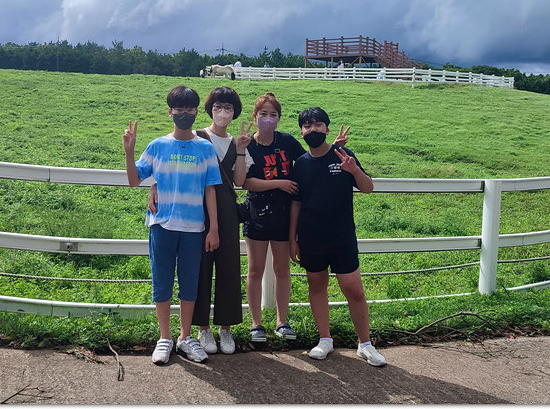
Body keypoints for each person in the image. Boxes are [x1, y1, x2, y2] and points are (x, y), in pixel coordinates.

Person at [122, 85, 221, 365]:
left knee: (189, 284)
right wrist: (129, 151)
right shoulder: (157, 146)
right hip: (162, 225)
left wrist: (213, 228)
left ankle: (185, 337)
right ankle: (164, 337)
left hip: (194, 228)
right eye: (179, 109)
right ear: (170, 112)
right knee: (162, 281)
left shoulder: (205, 149)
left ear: (196, 112)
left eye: (189, 109)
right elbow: (134, 181)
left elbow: (210, 190)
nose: (184, 114)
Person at [149, 87, 251, 356]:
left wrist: (241, 150)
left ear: (235, 112)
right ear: (207, 109)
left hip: (224, 211)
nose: (223, 112)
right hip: (192, 211)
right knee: (198, 270)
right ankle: (201, 328)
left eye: (228, 107)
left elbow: (240, 181)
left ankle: (225, 327)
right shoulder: (196, 136)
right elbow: (172, 163)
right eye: (218, 106)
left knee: (228, 266)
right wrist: (155, 186)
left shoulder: (235, 142)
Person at [240, 93, 348, 343]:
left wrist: (334, 148)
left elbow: (311, 160)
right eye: (263, 114)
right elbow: (244, 182)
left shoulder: (287, 141)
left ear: (279, 118)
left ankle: (282, 321)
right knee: (255, 269)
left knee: (282, 269)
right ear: (255, 116)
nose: (268, 118)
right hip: (256, 215)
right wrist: (278, 183)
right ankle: (256, 323)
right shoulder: (247, 144)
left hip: (283, 214)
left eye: (273, 114)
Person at [288, 106, 387, 367]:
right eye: (307, 126)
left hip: (342, 235)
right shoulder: (301, 164)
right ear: (301, 132)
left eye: (318, 124)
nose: (313, 129)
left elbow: (368, 188)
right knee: (316, 286)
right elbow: (296, 203)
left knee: (353, 289)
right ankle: (325, 339)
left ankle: (365, 344)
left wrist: (354, 170)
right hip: (310, 236)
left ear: (327, 129)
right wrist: (292, 238)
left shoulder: (343, 155)